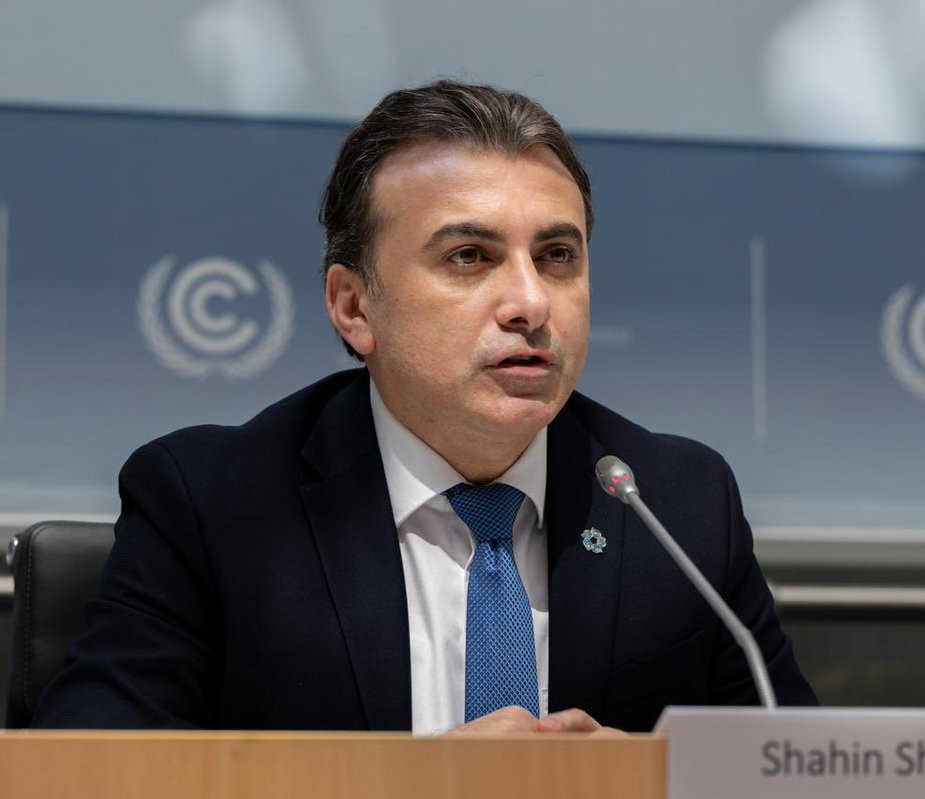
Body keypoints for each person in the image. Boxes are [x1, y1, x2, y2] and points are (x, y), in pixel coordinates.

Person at [34, 80, 817, 733]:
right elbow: (90, 776)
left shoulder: (677, 505)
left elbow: (803, 772)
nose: (530, 302)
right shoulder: (214, 505)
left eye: (557, 256)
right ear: (354, 306)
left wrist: (648, 784)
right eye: (469, 256)